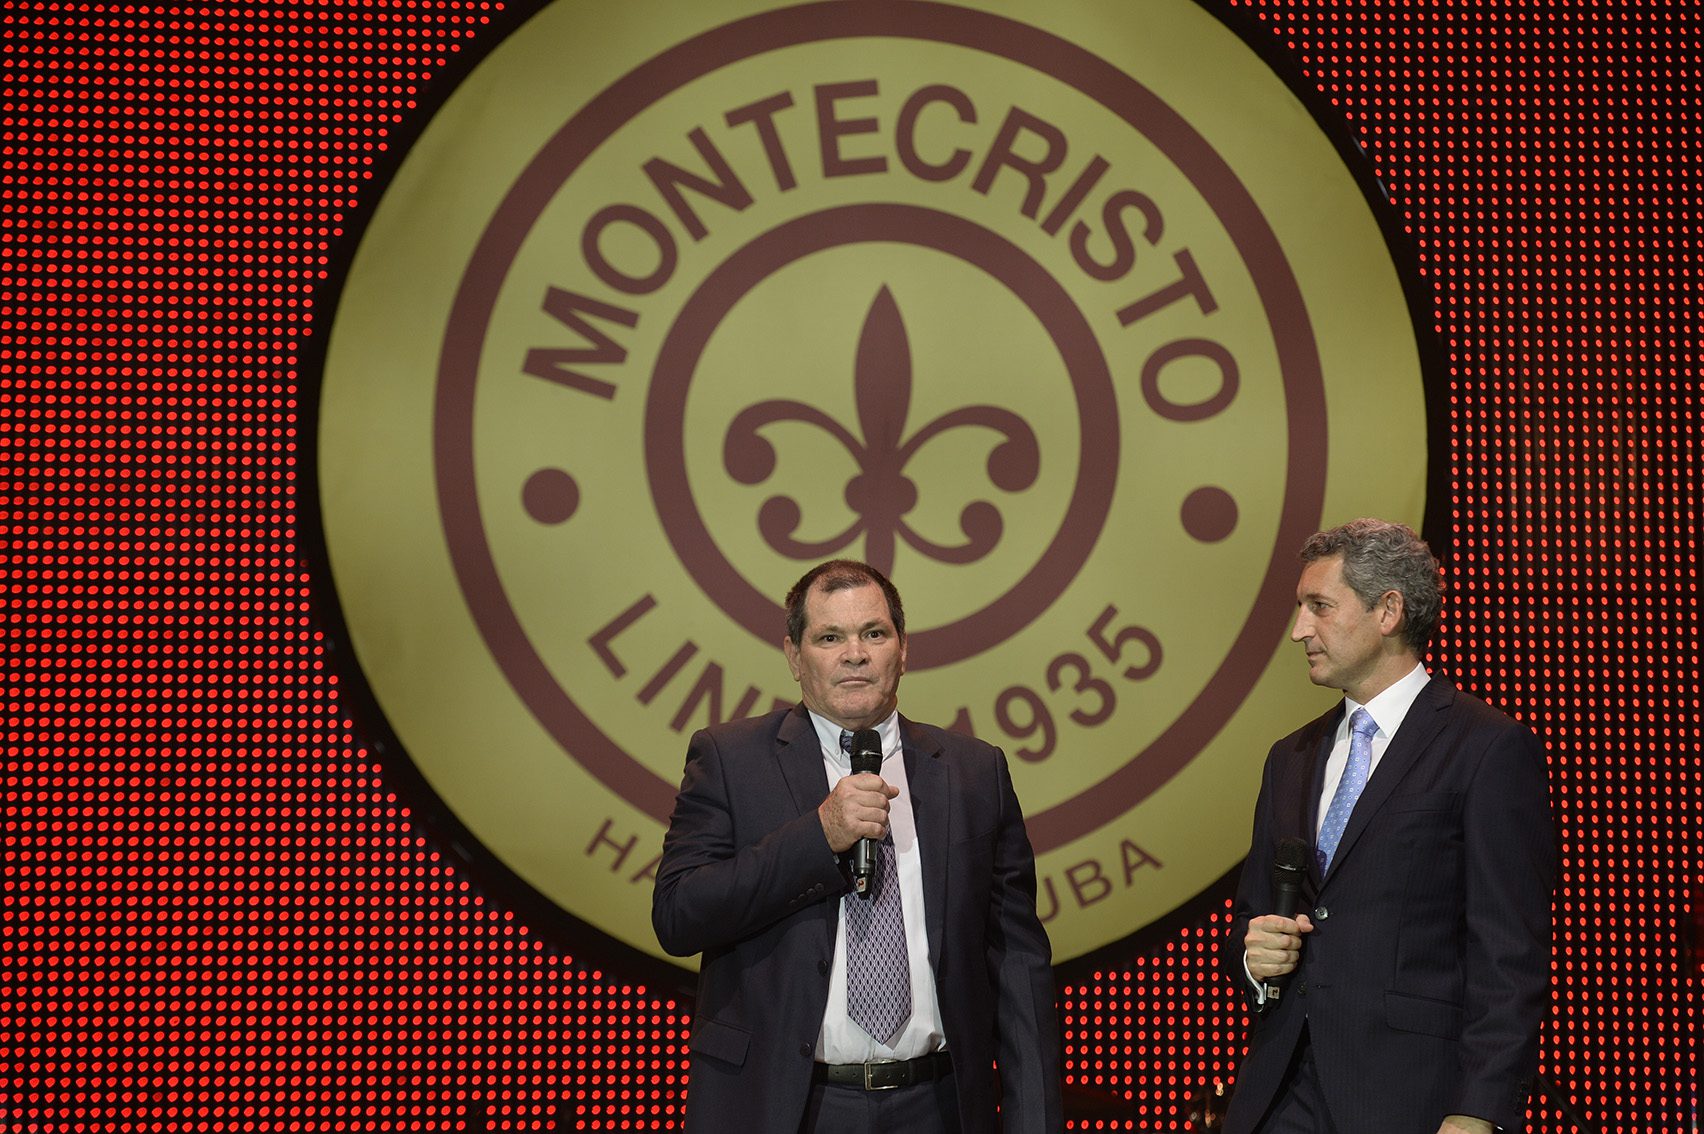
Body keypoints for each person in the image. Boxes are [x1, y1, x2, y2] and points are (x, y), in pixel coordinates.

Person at [652, 559, 1063, 1134]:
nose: (855, 654)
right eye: (829, 638)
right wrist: (817, 836)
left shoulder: (973, 772)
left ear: (903, 649)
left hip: (938, 1105)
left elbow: (1018, 964)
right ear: (794, 656)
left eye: (874, 633)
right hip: (790, 1107)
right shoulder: (730, 759)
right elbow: (679, 915)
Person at [1223, 519, 1556, 1134]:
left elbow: (1509, 955)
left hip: (1410, 1099)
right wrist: (1254, 955)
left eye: (1320, 606)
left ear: (1388, 611)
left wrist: (1477, 1110)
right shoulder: (1289, 758)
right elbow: (1252, 914)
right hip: (1279, 1096)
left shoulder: (1486, 748)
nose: (1299, 630)